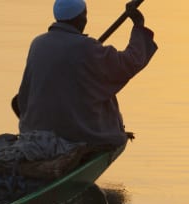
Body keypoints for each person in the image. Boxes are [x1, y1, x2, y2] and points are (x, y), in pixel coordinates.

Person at [13, 0, 157, 149]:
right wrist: (139, 25)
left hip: (35, 129)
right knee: (103, 90)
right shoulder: (87, 47)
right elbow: (130, 62)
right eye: (85, 15)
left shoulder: (37, 43)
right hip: (78, 133)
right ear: (80, 18)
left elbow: (24, 95)